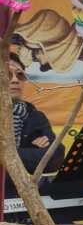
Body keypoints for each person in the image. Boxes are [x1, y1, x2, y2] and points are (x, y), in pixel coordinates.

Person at [4, 54, 64, 209]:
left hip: (29, 198)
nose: (15, 80)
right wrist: (33, 152)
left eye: (20, 75)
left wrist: (11, 154)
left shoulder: (34, 115)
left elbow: (56, 154)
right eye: (7, 74)